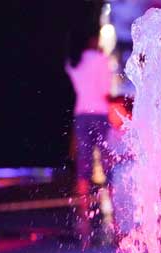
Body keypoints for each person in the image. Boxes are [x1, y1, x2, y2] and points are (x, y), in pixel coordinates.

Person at [65, 34, 114, 241]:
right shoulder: (102, 60)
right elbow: (105, 90)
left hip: (82, 113)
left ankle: (83, 214)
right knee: (106, 162)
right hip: (100, 113)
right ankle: (113, 210)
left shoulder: (73, 61)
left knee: (83, 164)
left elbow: (73, 75)